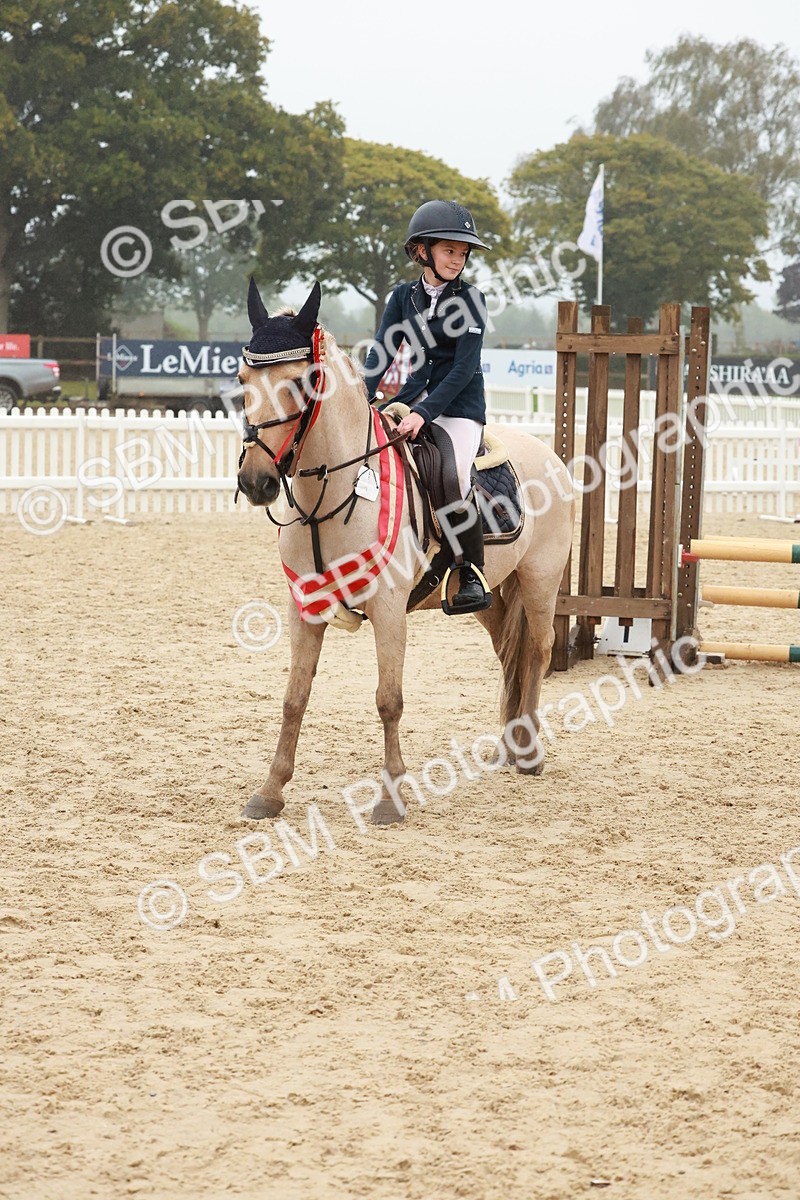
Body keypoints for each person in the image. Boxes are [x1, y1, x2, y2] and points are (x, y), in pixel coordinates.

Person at [363, 199, 492, 612]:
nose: (458, 259)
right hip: (414, 395)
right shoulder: (403, 297)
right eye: (449, 250)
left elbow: (463, 369)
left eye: (462, 252)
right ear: (423, 251)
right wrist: (363, 395)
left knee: (453, 474)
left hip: (460, 406)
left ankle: (471, 569)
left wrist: (423, 412)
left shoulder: (472, 299)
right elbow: (382, 351)